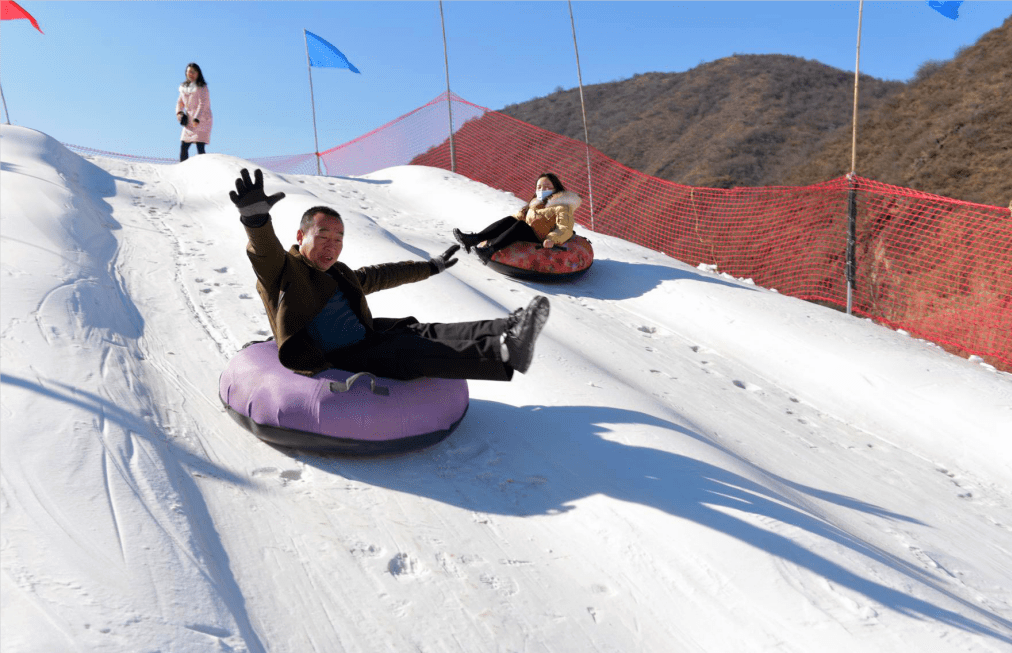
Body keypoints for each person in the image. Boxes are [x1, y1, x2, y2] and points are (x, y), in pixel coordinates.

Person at [229, 168, 551, 381]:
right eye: (323, 238)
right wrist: (256, 221)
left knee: (424, 331)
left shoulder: (338, 272)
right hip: (343, 356)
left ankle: (510, 326)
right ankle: (505, 352)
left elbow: (380, 275)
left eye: (339, 240)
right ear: (301, 238)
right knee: (411, 352)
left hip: (369, 335)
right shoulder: (283, 271)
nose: (332, 247)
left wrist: (430, 267)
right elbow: (264, 253)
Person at [453, 173, 581, 264]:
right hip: (529, 234)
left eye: (547, 187)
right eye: (539, 187)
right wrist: (507, 224)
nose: (543, 190)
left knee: (521, 225)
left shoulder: (562, 206)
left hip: (542, 239)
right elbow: (518, 217)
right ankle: (473, 239)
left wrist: (552, 239)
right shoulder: (534, 204)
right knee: (512, 220)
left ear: (556, 189)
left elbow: (565, 228)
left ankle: (490, 251)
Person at [176, 63, 212, 162]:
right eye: (188, 71)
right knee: (184, 145)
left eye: (193, 72)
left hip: (202, 119)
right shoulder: (184, 87)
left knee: (200, 146)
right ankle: (183, 168)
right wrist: (180, 113)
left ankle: (203, 169)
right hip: (189, 120)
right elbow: (180, 102)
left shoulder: (202, 87)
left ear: (198, 73)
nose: (190, 74)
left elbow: (202, 104)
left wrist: (197, 118)